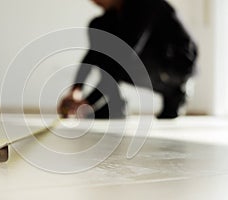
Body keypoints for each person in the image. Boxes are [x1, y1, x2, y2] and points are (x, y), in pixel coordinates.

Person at [59, 0, 198, 119]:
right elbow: (93, 54)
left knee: (117, 53)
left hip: (177, 66)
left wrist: (88, 101)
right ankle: (115, 105)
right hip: (150, 64)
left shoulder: (144, 5)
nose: (94, 2)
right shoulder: (111, 17)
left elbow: (124, 58)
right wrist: (75, 91)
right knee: (99, 28)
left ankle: (176, 93)